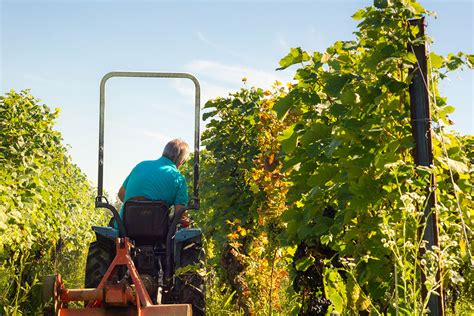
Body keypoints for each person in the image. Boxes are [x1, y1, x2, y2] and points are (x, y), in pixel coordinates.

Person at [117, 139, 190, 227]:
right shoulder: (179, 178)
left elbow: (121, 195)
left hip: (125, 230)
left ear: (164, 152)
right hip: (159, 234)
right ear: (181, 161)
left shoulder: (141, 166)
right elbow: (180, 214)